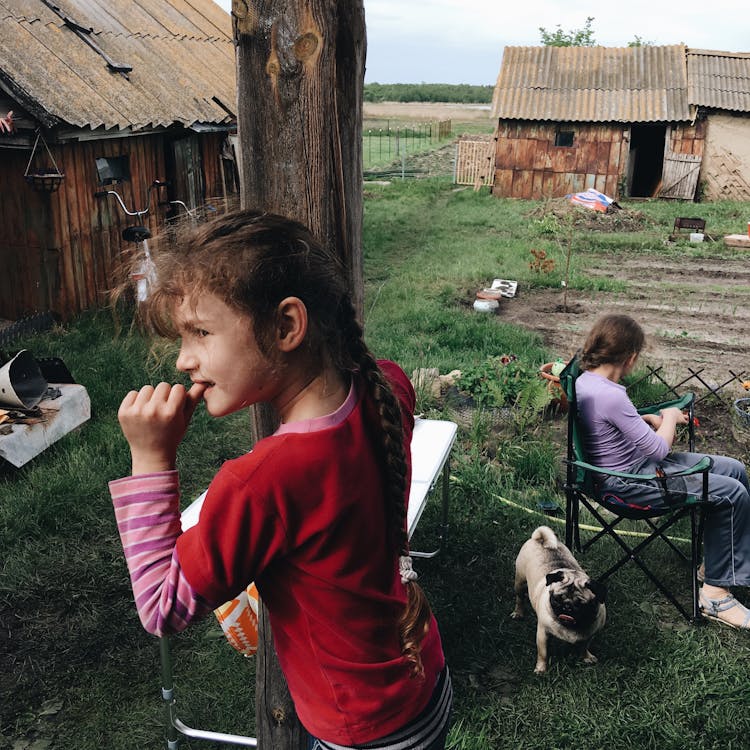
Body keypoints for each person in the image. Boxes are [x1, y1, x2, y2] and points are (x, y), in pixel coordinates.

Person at [108, 210, 452, 749]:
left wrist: (151, 459)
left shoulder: (263, 483)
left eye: (200, 332)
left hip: (363, 730)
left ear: (287, 326)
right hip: (423, 679)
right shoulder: (387, 386)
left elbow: (161, 606)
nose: (182, 360)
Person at [576, 314, 750, 630]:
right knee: (731, 491)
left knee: (734, 470)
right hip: (631, 484)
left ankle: (716, 564)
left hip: (634, 468)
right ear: (630, 357)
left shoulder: (587, 381)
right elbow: (660, 450)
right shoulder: (612, 394)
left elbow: (609, 426)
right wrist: (668, 416)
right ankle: (714, 595)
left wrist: (648, 420)